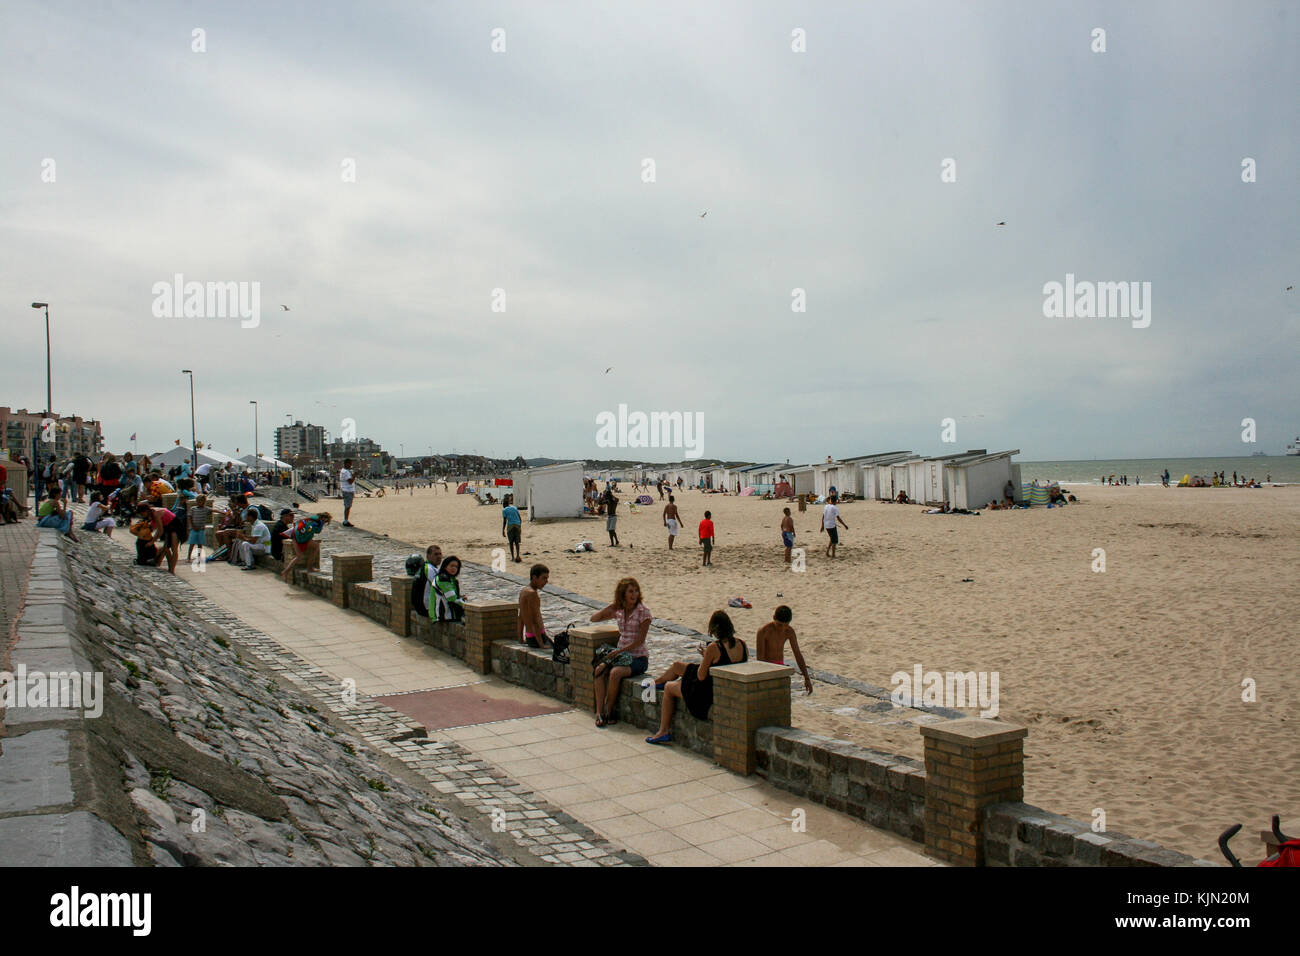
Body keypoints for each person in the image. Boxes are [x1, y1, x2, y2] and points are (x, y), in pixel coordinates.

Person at [645, 610, 747, 744]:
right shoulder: (742, 644)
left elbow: (701, 676)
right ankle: (657, 682)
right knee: (677, 666)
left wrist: (706, 656)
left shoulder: (714, 647)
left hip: (705, 692)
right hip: (721, 685)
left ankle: (663, 730)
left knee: (669, 688)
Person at [589, 577, 652, 727]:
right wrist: (611, 607)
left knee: (615, 673)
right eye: (630, 591)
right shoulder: (619, 610)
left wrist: (618, 652)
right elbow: (594, 618)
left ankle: (609, 710)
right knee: (599, 669)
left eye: (636, 591)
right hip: (620, 655)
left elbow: (640, 641)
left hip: (638, 657)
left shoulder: (644, 612)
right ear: (622, 593)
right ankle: (599, 712)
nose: (634, 594)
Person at [756, 605, 812, 695]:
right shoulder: (764, 631)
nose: (782, 628)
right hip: (766, 667)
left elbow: (797, 654)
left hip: (780, 666)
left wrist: (806, 678)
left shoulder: (789, 631)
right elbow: (760, 658)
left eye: (785, 625)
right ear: (774, 618)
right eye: (779, 625)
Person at [281, 512, 332, 582]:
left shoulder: (309, 519)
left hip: (294, 537)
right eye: (325, 521)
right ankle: (309, 567)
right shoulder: (316, 522)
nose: (325, 522)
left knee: (299, 556)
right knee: (316, 547)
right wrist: (321, 524)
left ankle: (285, 571)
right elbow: (317, 531)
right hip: (302, 539)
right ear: (324, 518)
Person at [134, 502, 180, 573]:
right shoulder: (150, 514)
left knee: (173, 549)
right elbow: (152, 528)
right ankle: (168, 567)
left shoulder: (155, 513)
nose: (142, 516)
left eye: (142, 514)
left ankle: (171, 569)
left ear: (146, 511)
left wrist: (152, 542)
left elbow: (160, 530)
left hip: (174, 525)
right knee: (166, 548)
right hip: (167, 526)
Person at [517, 564, 552, 649]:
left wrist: (520, 638)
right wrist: (541, 644)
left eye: (547, 578)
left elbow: (521, 617)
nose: (546, 582)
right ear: (534, 577)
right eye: (543, 578)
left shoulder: (524, 591)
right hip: (537, 638)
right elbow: (534, 621)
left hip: (530, 637)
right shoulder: (532, 594)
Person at [411, 544, 443, 617]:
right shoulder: (429, 569)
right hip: (425, 609)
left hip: (420, 607)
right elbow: (441, 588)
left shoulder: (426, 567)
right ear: (428, 556)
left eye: (440, 554)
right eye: (435, 554)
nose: (439, 557)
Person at [433, 555, 465, 621]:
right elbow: (452, 599)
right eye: (452, 566)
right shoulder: (443, 579)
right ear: (445, 566)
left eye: (456, 567)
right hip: (446, 615)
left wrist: (460, 597)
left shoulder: (451, 579)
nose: (454, 568)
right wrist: (468, 606)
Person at [186, 495, 211, 564]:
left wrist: (223, 512)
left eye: (201, 501)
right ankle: (188, 557)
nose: (199, 503)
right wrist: (192, 526)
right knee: (192, 543)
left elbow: (213, 510)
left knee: (200, 544)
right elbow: (189, 517)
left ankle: (199, 557)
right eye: (198, 501)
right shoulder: (193, 509)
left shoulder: (206, 509)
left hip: (201, 529)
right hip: (194, 529)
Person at [823, 494, 847, 558]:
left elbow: (823, 516)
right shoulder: (834, 508)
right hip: (831, 526)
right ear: (835, 501)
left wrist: (822, 526)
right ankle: (833, 555)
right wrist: (844, 525)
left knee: (832, 539)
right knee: (835, 541)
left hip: (826, 525)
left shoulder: (826, 506)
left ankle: (827, 552)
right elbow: (838, 518)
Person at [501, 497, 523, 562]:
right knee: (517, 542)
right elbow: (520, 518)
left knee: (511, 542)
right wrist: (519, 527)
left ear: (504, 505)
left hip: (510, 526)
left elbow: (505, 521)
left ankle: (513, 557)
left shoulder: (504, 510)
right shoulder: (514, 508)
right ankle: (518, 555)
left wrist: (503, 530)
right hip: (517, 525)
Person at [339, 459, 356, 526]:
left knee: (348, 506)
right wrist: (354, 475)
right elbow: (350, 481)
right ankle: (345, 521)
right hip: (347, 490)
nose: (351, 465)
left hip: (347, 490)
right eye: (350, 464)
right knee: (347, 506)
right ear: (346, 463)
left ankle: (346, 520)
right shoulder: (345, 472)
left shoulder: (344, 471)